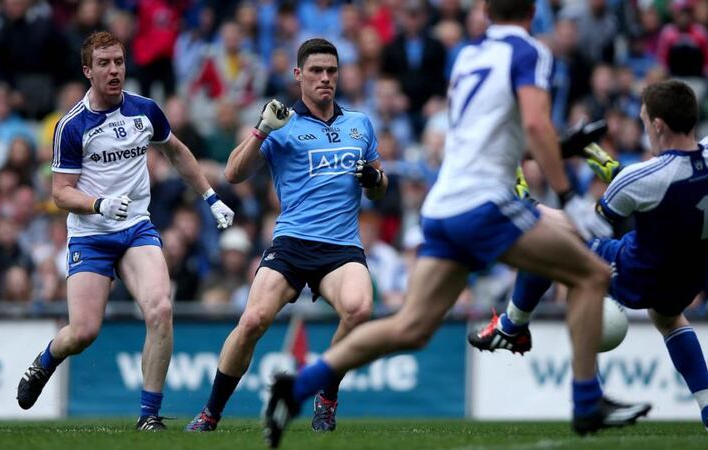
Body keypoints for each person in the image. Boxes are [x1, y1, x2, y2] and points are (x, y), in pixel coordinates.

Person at [262, 2, 651, 447]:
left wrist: (561, 148)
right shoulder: (531, 53)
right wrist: (568, 195)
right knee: (591, 273)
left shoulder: (468, 55)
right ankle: (585, 401)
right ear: (533, 12)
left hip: (444, 205)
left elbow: (491, 133)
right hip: (485, 202)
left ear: (486, 11)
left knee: (411, 327)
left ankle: (293, 390)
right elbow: (535, 123)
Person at [469, 80, 708, 436]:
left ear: (658, 125)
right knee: (669, 318)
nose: (644, 126)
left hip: (638, 271)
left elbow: (585, 228)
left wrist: (529, 206)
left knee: (548, 246)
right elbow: (663, 187)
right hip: (689, 275)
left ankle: (512, 327)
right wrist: (602, 161)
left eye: (645, 120)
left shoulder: (640, 178)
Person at [16, 31, 235, 431]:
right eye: (104, 63)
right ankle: (44, 361)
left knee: (161, 309)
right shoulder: (72, 126)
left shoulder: (145, 110)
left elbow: (177, 152)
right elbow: (60, 193)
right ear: (88, 71)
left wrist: (210, 196)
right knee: (83, 333)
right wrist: (98, 204)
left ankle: (148, 416)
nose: (114, 69)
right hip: (90, 236)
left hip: (136, 228)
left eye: (118, 61)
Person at [185, 38, 388, 433]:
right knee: (253, 320)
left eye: (331, 71)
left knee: (360, 310)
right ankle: (210, 412)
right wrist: (261, 130)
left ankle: (325, 399)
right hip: (293, 243)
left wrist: (375, 180)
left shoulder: (359, 123)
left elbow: (380, 186)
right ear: (299, 75)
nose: (325, 78)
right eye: (316, 71)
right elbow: (232, 173)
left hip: (343, 247)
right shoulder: (282, 122)